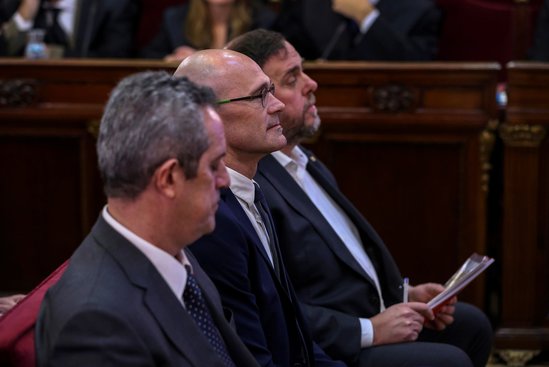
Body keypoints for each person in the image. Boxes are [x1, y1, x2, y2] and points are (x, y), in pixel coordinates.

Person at [227, 29, 494, 367]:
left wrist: (401, 294)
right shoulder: (257, 181)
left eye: (304, 71)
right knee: (448, 360)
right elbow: (280, 304)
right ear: (260, 100)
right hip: (331, 344)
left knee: (471, 325)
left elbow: (345, 264)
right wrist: (369, 329)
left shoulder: (307, 161)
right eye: (292, 79)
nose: (312, 85)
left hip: (366, 314)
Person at [35, 70, 260, 367]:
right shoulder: (96, 324)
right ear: (167, 179)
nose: (225, 180)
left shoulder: (179, 255)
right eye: (215, 165)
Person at [174, 49, 345, 367]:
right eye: (259, 96)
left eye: (271, 90)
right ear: (205, 115)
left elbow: (296, 335)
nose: (277, 104)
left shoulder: (252, 190)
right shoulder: (214, 221)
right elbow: (252, 355)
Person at [273, 0, 441, 61]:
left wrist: (367, 18)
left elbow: (416, 63)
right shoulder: (305, 4)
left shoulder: (421, 9)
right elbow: (280, 52)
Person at [140, 0, 275, 61]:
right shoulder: (176, 18)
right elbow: (149, 56)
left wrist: (198, 59)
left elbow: (267, 61)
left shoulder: (263, 19)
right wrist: (170, 59)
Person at [1, 0, 139, 57]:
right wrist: (24, 17)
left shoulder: (113, 5)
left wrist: (58, 55)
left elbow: (115, 59)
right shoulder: (14, 4)